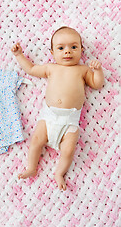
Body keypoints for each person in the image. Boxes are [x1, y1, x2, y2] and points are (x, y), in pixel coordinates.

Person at [11, 26, 104, 190]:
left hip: (70, 120)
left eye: (73, 47)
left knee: (68, 150)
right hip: (49, 117)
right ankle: (31, 168)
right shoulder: (50, 68)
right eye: (61, 48)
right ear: (53, 52)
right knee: (35, 141)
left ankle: (59, 173)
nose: (67, 52)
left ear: (82, 50)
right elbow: (31, 69)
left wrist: (97, 71)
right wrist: (19, 55)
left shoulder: (82, 70)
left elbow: (97, 84)